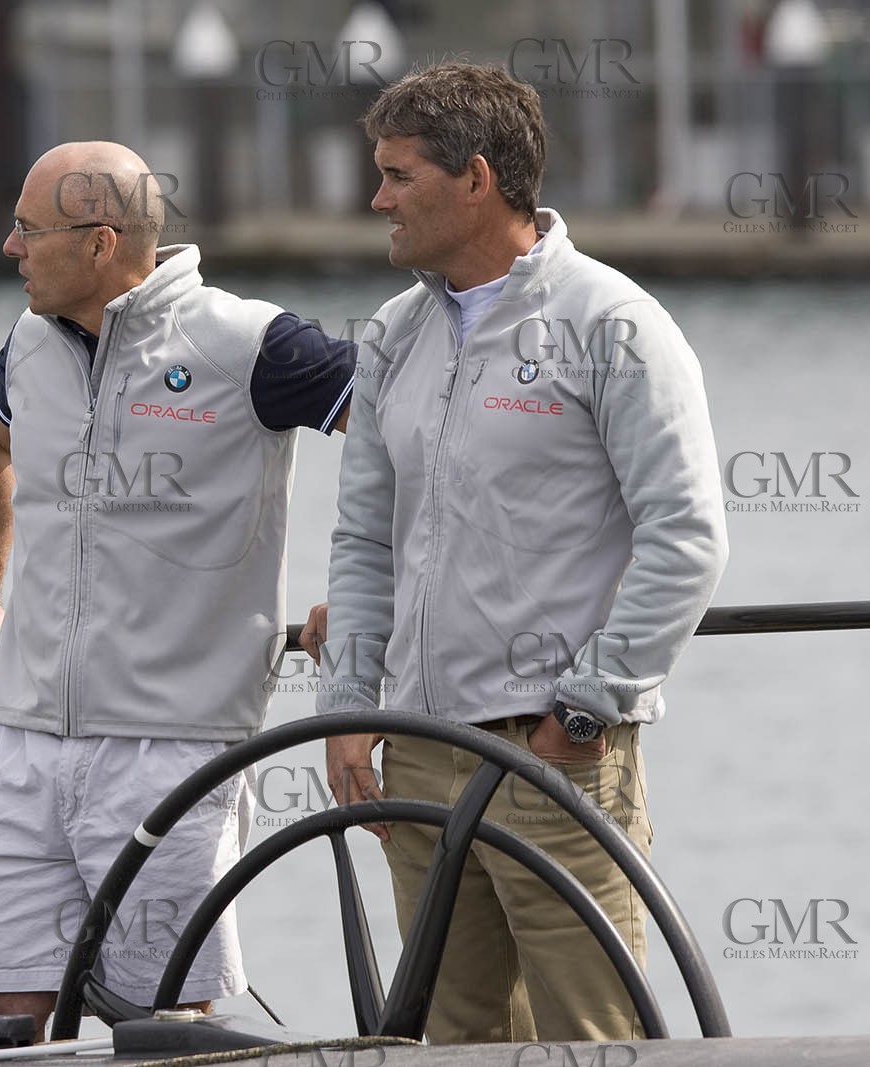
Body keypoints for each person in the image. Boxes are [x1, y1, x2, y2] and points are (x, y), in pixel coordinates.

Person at [311, 63, 728, 1044]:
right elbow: (365, 538)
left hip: (556, 751)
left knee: (590, 1034)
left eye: (398, 175)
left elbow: (687, 533)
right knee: (450, 1040)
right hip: (416, 748)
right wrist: (343, 710)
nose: (377, 198)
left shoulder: (612, 323)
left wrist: (586, 707)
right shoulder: (390, 336)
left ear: (477, 178)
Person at [0, 140, 355, 1040]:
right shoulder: (28, 345)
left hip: (171, 750)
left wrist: (365, 598)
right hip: (25, 741)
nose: (9, 246)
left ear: (99, 242)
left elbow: (403, 431)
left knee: (165, 1030)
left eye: (27, 228)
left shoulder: (249, 342)